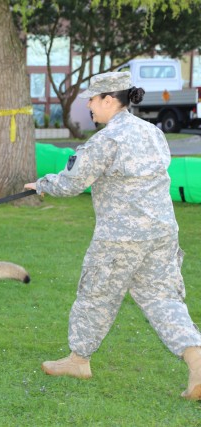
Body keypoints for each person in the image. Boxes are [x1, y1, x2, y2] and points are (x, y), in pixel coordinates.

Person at [24, 71, 201, 401]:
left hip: (121, 237)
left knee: (95, 295)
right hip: (163, 232)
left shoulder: (106, 141)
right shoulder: (152, 133)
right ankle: (198, 362)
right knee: (162, 298)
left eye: (92, 99)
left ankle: (79, 360)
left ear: (109, 100)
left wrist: (42, 184)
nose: (89, 105)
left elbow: (73, 182)